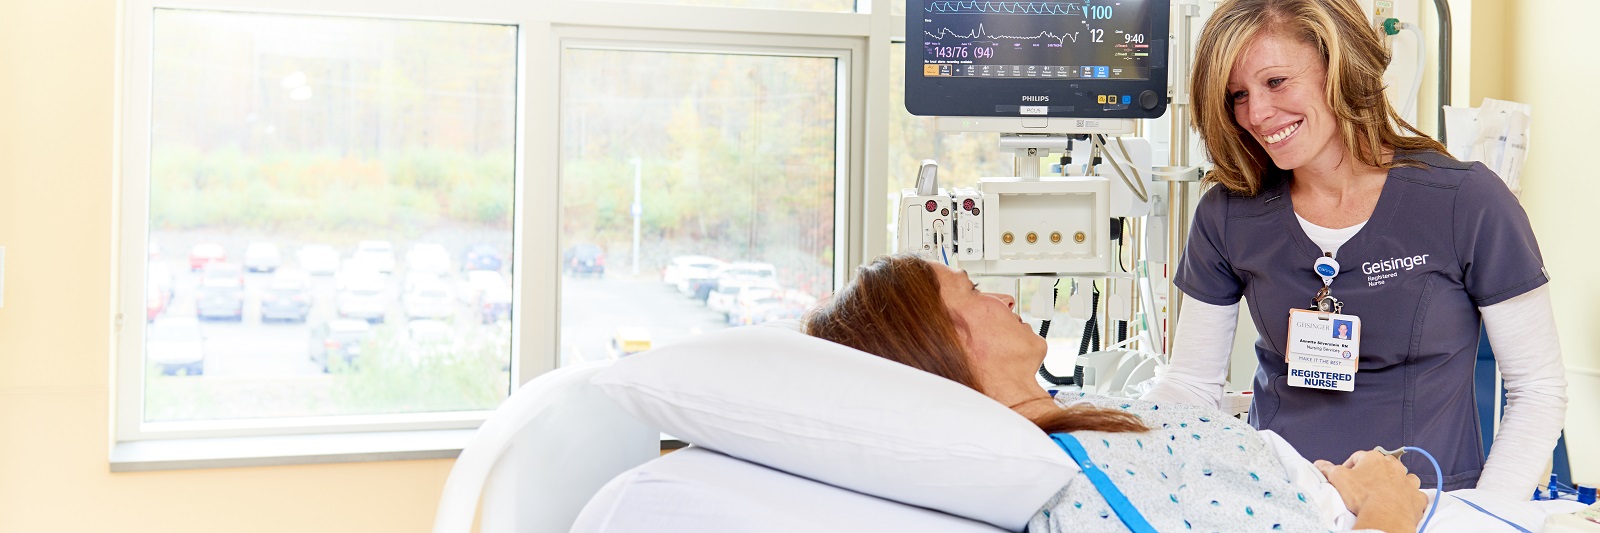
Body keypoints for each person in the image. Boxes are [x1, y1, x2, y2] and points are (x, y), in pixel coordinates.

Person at [1144, 0, 1566, 497]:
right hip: (1279, 502)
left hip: (1428, 507)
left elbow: (1537, 391)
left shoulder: (1466, 201)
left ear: (1339, 68)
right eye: (1238, 95)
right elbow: (1192, 386)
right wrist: (1111, 432)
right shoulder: (1230, 212)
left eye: (1276, 82)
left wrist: (1482, 516)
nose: (1256, 113)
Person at [804, 255, 1428, 533]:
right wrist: (1385, 510)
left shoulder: (1095, 427)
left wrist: (1321, 483)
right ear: (946, 343)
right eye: (974, 290)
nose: (1005, 297)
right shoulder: (1078, 484)